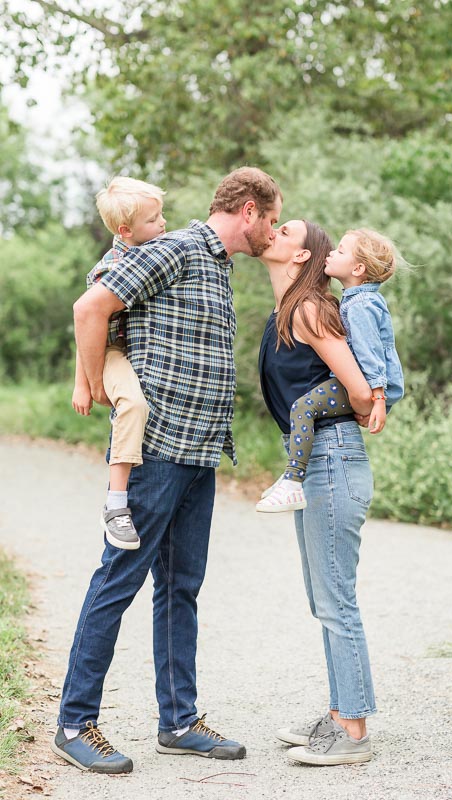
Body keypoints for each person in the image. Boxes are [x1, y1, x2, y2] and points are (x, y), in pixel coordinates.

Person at [52, 167, 282, 774]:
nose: (273, 233)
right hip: (154, 450)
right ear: (250, 211)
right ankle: (75, 723)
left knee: (181, 588)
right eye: (273, 220)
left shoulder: (219, 267)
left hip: (200, 453)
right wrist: (97, 383)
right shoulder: (174, 248)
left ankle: (178, 720)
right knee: (117, 582)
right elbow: (90, 306)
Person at [257, 219, 376, 766]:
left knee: (335, 600)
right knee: (322, 597)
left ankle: (351, 732)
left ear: (301, 254)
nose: (272, 231)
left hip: (332, 458)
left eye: (284, 229)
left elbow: (356, 388)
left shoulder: (308, 309)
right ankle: (338, 713)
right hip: (319, 461)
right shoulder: (285, 313)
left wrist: (374, 402)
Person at [257, 226, 404, 512]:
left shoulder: (359, 305)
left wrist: (377, 398)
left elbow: (372, 355)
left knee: (303, 407)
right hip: (324, 452)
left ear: (359, 267)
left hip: (332, 454)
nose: (332, 254)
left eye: (340, 251)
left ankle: (292, 478)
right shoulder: (347, 300)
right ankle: (292, 477)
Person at [72, 176, 167, 549]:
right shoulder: (112, 267)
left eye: (162, 215)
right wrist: (83, 382)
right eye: (152, 220)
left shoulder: (154, 252)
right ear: (126, 231)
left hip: (138, 352)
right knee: (133, 404)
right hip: (112, 351)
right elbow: (87, 323)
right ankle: (115, 503)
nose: (162, 223)